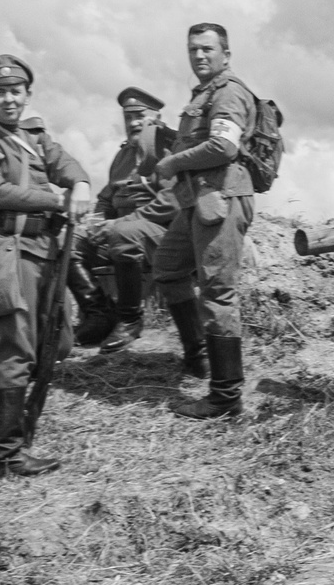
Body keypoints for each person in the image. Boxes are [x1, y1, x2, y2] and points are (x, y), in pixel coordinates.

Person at [0, 55, 89, 478]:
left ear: (27, 95)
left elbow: (65, 163)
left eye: (16, 91)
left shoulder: (33, 135)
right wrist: (57, 200)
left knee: (57, 344)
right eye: (0, 92)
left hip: (44, 248)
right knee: (19, 350)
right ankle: (4, 454)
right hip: (6, 250)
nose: (8, 99)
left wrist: (80, 183)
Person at [152, 24, 262, 418]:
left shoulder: (228, 91)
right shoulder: (204, 94)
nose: (199, 56)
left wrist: (171, 162)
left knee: (217, 293)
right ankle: (197, 355)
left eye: (207, 50)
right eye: (192, 50)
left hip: (222, 198)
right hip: (198, 201)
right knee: (167, 267)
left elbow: (224, 145)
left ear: (226, 55)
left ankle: (225, 396)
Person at [78, 85, 175, 356]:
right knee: (72, 242)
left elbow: (171, 203)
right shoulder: (122, 156)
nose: (132, 122)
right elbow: (106, 198)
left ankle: (130, 319)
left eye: (139, 115)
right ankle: (98, 315)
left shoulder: (168, 150)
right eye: (127, 116)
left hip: (158, 233)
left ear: (155, 117)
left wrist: (118, 225)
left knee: (123, 233)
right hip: (119, 232)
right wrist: (96, 223)